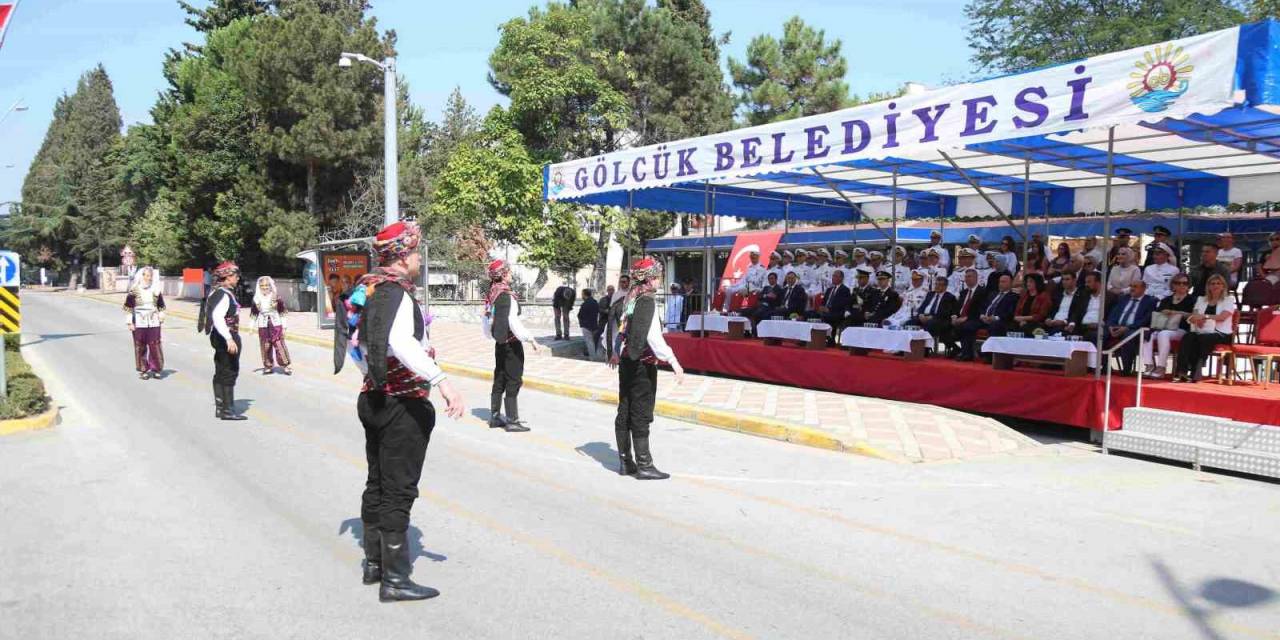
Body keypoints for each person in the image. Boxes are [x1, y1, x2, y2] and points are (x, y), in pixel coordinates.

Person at [346, 220, 465, 603]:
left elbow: (353, 344)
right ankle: (395, 580)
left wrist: (371, 375)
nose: (418, 260)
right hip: (401, 403)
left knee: (377, 480)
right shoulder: (396, 293)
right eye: (415, 253)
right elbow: (400, 342)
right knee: (398, 488)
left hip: (374, 399)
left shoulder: (368, 289)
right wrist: (441, 380)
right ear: (401, 257)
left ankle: (374, 563)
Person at [610, 257, 685, 480]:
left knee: (625, 408)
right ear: (650, 278)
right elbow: (653, 337)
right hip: (642, 363)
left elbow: (621, 329)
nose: (659, 280)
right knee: (641, 412)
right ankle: (644, 465)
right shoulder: (646, 301)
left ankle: (626, 461)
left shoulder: (630, 298)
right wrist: (674, 361)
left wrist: (615, 351)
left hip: (627, 361)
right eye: (658, 276)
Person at [484, 259, 542, 432]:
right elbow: (513, 322)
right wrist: (531, 339)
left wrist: (491, 335)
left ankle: (495, 416)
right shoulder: (507, 295)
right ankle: (512, 420)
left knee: (500, 376)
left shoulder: (492, 293)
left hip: (499, 344)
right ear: (503, 274)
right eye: (508, 272)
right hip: (511, 344)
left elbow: (487, 319)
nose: (511, 274)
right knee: (514, 379)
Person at [201, 261, 247, 421]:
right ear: (227, 277)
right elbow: (217, 317)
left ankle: (221, 408)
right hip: (226, 335)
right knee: (229, 371)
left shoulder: (216, 292)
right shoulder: (224, 294)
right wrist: (229, 339)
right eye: (235, 275)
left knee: (220, 370)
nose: (237, 278)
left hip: (218, 335)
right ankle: (227, 410)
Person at [1173, 274, 1235, 383]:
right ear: (1208, 286)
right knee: (1188, 336)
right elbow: (1194, 315)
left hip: (1221, 333)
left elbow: (1222, 317)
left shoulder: (1228, 300)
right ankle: (1181, 371)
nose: (1215, 286)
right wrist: (1196, 320)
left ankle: (1195, 372)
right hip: (1201, 329)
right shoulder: (1201, 299)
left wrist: (1204, 316)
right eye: (1212, 283)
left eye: (1218, 283)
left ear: (1223, 286)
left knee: (1204, 339)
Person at [1142, 274, 1195, 379]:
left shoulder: (1192, 300)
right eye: (1178, 283)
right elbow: (1158, 314)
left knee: (1163, 334)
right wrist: (1164, 312)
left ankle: (1161, 367)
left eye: (1185, 283)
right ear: (1173, 285)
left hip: (1181, 329)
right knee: (1146, 334)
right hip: (1164, 326)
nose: (1181, 285)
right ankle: (1149, 365)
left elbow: (1193, 315)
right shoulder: (1166, 300)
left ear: (1189, 286)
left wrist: (1175, 312)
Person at [959, 273, 1017, 360]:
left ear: (1010, 283)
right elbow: (983, 306)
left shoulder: (1013, 297)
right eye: (1000, 282)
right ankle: (967, 353)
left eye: (1004, 282)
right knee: (967, 325)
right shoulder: (992, 294)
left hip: (999, 321)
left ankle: (988, 355)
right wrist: (982, 315)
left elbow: (1009, 313)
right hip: (984, 319)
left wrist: (995, 318)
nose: (1001, 284)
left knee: (995, 327)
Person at [1105, 280, 1156, 374]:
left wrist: (1127, 328)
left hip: (1134, 328)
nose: (1132, 288)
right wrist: (1110, 326)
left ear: (1143, 289)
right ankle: (1104, 366)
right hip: (1117, 326)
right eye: (1131, 286)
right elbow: (1113, 314)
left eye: (1135, 286)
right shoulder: (1123, 298)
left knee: (1129, 336)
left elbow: (1146, 319)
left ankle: (1126, 369)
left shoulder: (1150, 301)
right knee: (1099, 334)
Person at [124, 266, 166, 380]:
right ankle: (143, 370)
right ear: (141, 276)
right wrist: (129, 322)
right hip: (139, 321)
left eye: (150, 276)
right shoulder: (134, 290)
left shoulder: (156, 290)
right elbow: (128, 307)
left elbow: (161, 305)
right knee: (140, 346)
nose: (148, 278)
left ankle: (157, 369)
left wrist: (161, 315)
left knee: (155, 345)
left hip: (153, 321)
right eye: (146, 275)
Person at [251, 275, 292, 375]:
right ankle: (268, 366)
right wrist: (251, 327)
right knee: (265, 345)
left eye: (267, 285)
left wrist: (284, 327)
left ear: (270, 286)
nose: (265, 287)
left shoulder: (276, 297)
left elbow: (282, 312)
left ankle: (286, 365)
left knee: (279, 344)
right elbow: (254, 314)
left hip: (276, 323)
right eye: (262, 286)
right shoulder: (256, 299)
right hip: (263, 325)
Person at [949, 269, 987, 360]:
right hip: (961, 318)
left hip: (975, 318)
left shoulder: (982, 292)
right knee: (945, 325)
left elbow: (981, 309)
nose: (967, 279)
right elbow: (957, 308)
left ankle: (966, 353)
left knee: (966, 326)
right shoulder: (963, 292)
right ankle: (958, 350)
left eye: (969, 276)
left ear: (976, 278)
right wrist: (954, 317)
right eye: (966, 277)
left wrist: (966, 318)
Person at [917, 275, 958, 351]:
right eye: (936, 284)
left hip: (940, 319)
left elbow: (946, 312)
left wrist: (932, 317)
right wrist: (920, 314)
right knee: (909, 322)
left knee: (931, 324)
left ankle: (924, 349)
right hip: (925, 317)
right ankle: (905, 348)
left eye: (940, 285)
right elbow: (922, 307)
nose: (937, 286)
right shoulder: (930, 294)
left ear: (945, 287)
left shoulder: (949, 297)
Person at [808, 268, 853, 335]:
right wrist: (821, 307)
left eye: (835, 276)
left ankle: (827, 337)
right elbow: (824, 302)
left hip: (836, 313)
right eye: (833, 276)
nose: (833, 278)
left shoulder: (845, 290)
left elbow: (842, 304)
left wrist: (829, 309)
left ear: (841, 278)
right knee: (808, 314)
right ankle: (808, 337)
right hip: (825, 311)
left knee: (827, 316)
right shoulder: (829, 289)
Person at [1045, 271, 1089, 335]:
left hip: (1067, 324)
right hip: (1052, 323)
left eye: (1067, 279)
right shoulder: (1058, 295)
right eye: (1063, 279)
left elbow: (1078, 313)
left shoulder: (1081, 295)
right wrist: (1049, 318)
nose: (1064, 282)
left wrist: (1064, 322)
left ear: (1074, 280)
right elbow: (1052, 310)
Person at [604, 275, 631, 360]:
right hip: (618, 323)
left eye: (624, 282)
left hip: (630, 321)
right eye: (621, 282)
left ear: (628, 282)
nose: (622, 284)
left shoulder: (632, 293)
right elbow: (612, 308)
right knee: (616, 340)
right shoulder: (616, 295)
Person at [578, 289, 602, 360]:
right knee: (595, 341)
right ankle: (597, 356)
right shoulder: (595, 302)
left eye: (582, 294)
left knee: (589, 342)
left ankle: (593, 357)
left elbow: (580, 315)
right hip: (594, 325)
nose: (581, 296)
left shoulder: (585, 304)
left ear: (585, 295)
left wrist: (581, 322)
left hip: (586, 325)